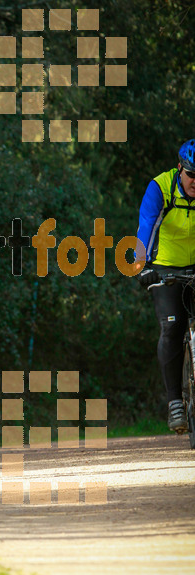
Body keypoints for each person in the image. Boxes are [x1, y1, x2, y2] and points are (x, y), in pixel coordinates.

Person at [136, 139, 195, 433]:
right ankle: (175, 401)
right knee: (172, 327)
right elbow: (145, 224)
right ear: (180, 168)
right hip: (165, 268)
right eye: (192, 175)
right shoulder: (160, 188)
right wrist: (141, 263)